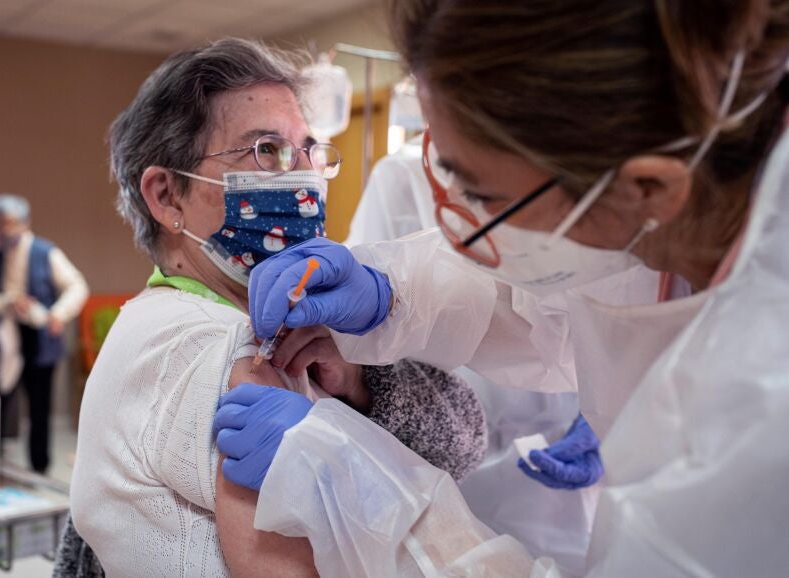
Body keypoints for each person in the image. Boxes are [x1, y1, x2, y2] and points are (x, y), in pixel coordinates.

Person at [216, 0, 789, 575]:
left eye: (484, 195)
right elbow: (536, 304)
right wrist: (390, 291)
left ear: (647, 189)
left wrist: (354, 490)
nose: (455, 227)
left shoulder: (765, 400)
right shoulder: (673, 214)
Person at [69, 38, 488, 578]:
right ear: (167, 195)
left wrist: (359, 378)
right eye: (267, 151)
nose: (303, 179)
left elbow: (466, 441)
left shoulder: (303, 326)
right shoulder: (216, 342)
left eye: (308, 151)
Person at [347, 142, 596, 575]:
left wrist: (614, 416)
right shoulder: (401, 179)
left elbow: (579, 316)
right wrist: (386, 295)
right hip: (444, 465)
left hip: (563, 496)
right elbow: (489, 300)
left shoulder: (583, 180)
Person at [0, 194, 88, 474]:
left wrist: (58, 315)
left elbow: (77, 286)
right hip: (6, 341)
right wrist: (8, 301)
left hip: (40, 340)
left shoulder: (45, 252)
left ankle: (39, 469)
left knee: (39, 409)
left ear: (25, 223)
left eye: (10, 223)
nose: (5, 231)